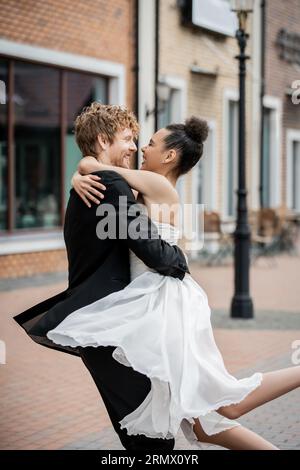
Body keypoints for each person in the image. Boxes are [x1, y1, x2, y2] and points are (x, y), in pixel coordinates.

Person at [47, 114, 300, 450]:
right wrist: (82, 170)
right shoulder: (146, 184)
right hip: (153, 300)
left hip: (164, 301)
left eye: (150, 143)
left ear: (168, 156)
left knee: (224, 402)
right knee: (203, 422)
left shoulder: (160, 186)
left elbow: (108, 174)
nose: (141, 148)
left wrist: (83, 170)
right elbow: (105, 174)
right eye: (137, 140)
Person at [13, 102, 190, 452]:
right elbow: (152, 250)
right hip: (106, 325)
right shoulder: (107, 184)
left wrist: (82, 169)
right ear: (101, 140)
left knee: (145, 434)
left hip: (104, 324)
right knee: (151, 440)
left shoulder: (91, 180)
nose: (133, 147)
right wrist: (181, 259)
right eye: (127, 138)